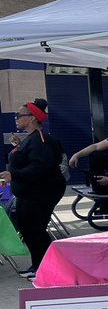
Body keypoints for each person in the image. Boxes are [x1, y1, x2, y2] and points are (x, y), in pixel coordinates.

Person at [0, 99, 67, 278]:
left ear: (31, 118)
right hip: (29, 192)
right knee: (27, 227)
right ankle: (37, 265)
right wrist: (17, 146)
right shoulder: (32, 138)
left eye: (19, 115)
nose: (16, 118)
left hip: (41, 192)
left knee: (35, 229)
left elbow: (40, 167)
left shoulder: (41, 139)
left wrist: (14, 175)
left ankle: (45, 268)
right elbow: (28, 159)